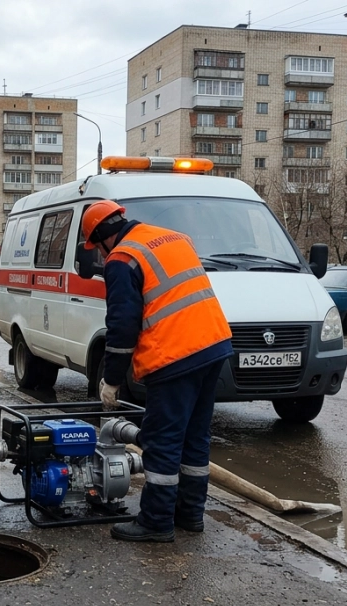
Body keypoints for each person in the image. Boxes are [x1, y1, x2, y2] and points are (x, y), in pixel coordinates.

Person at [81, 199, 233, 543]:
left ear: (104, 237)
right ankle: (190, 515)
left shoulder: (122, 259)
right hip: (213, 344)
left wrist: (112, 380)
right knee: (195, 438)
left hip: (175, 355)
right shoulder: (173, 238)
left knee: (162, 441)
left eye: (97, 248)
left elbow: (121, 328)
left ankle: (156, 521)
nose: (101, 256)